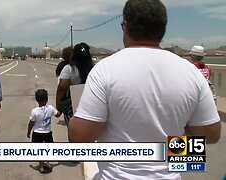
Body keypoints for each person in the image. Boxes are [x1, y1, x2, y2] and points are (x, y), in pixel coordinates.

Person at [68, 0, 221, 179]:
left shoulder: (105, 69)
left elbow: (81, 137)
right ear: (162, 29)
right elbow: (211, 134)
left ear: (125, 25)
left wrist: (76, 119)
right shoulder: (191, 73)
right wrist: (171, 139)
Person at [56, 43, 94, 123]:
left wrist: (58, 105)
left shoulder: (69, 69)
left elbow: (62, 88)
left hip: (74, 106)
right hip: (92, 105)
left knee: (73, 130)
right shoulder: (95, 68)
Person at [27, 89, 61, 173]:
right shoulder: (50, 108)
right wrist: (61, 107)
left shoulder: (34, 111)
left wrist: (28, 132)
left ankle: (41, 164)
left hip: (37, 133)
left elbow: (31, 123)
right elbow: (58, 115)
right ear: (47, 99)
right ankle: (47, 162)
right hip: (47, 133)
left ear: (36, 100)